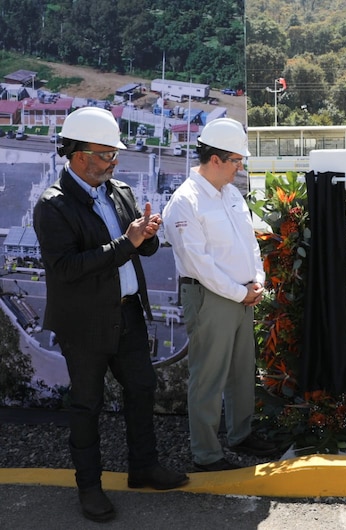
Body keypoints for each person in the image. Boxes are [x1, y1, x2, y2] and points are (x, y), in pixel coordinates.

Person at [33, 107, 189, 523]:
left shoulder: (119, 191)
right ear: (79, 155)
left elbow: (139, 247)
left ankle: (144, 468)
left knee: (142, 389)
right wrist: (127, 241)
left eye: (114, 155)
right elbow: (66, 268)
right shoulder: (53, 205)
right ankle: (89, 488)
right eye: (106, 155)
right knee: (87, 405)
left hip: (127, 316)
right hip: (84, 325)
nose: (113, 162)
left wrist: (147, 236)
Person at [162, 118, 276, 472]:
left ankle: (241, 434)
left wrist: (256, 281)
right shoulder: (186, 202)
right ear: (215, 159)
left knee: (242, 371)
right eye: (236, 160)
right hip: (212, 298)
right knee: (209, 376)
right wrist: (239, 293)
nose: (240, 167)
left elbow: (248, 244)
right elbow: (200, 264)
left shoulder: (231, 194)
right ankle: (207, 453)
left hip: (242, 296)